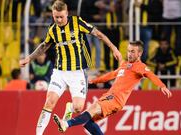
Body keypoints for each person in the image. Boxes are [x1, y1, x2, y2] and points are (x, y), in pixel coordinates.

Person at [19, 1, 122, 135]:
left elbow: (99, 35)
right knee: (49, 102)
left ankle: (70, 108)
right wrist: (29, 58)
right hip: (59, 71)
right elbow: (44, 46)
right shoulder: (52, 29)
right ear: (53, 15)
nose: (59, 20)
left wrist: (114, 48)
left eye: (61, 17)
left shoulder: (77, 23)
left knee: (78, 108)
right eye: (56, 17)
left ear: (67, 13)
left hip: (77, 72)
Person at [53, 41, 172, 134]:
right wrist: (93, 80)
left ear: (139, 53)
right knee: (88, 122)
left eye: (132, 52)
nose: (129, 54)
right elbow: (111, 75)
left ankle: (66, 124)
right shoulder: (125, 65)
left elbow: (150, 74)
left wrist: (162, 86)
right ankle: (68, 121)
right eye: (128, 51)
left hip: (116, 99)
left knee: (93, 108)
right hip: (109, 97)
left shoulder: (140, 66)